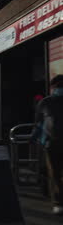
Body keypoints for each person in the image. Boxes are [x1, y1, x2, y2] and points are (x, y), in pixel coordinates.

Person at [32, 75, 63, 215]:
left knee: (55, 173)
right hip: (52, 142)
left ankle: (58, 202)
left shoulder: (46, 102)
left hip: (52, 143)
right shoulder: (46, 102)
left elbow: (38, 124)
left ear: (52, 87)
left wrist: (34, 138)